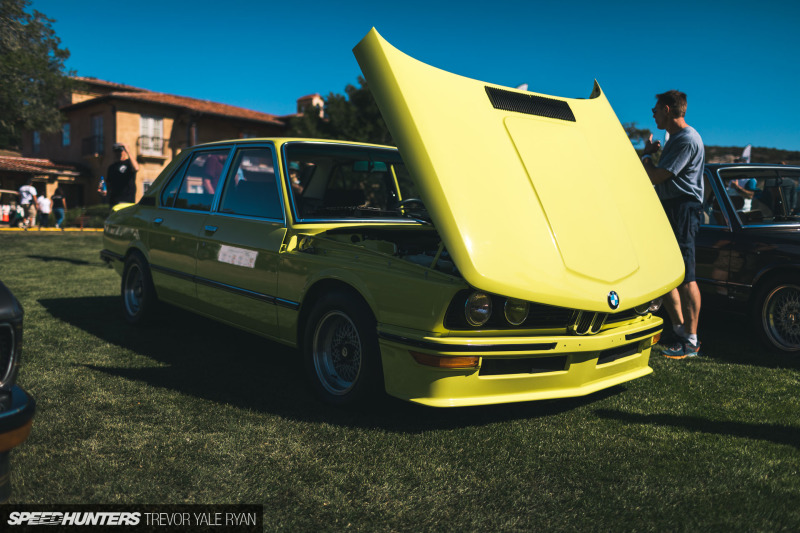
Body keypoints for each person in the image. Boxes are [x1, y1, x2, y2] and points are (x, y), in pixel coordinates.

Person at [641, 90, 705, 359]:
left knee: (687, 276)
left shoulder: (686, 139)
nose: (652, 113)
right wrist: (652, 154)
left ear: (667, 109)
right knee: (667, 271)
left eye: (655, 109)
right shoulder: (677, 139)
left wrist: (646, 157)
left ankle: (691, 341)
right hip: (673, 208)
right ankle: (680, 331)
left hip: (683, 209)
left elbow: (656, 177)